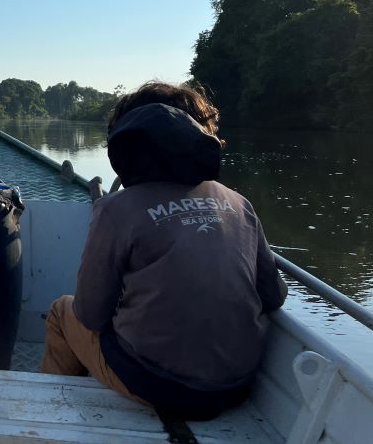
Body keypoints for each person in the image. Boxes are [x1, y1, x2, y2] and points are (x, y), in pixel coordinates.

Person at [39, 81, 287, 420]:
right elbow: (274, 296)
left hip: (157, 385)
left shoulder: (116, 209)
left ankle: (45, 414)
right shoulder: (238, 203)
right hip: (237, 385)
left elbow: (90, 315)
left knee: (60, 311)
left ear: (127, 140)